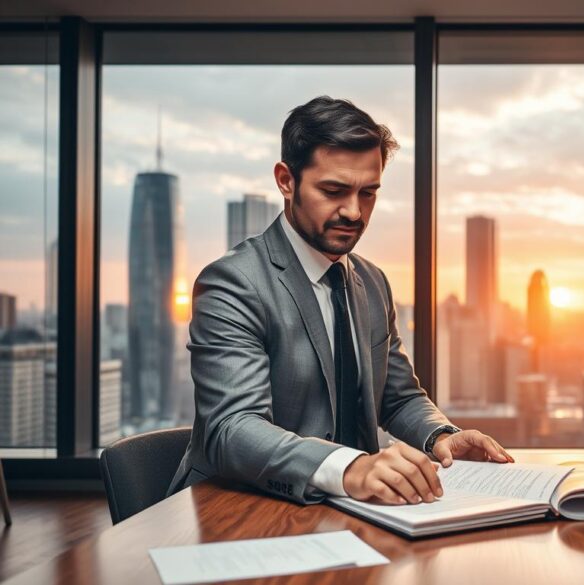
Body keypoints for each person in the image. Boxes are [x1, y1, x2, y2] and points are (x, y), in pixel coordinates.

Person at [168, 96, 513, 505]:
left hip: (356, 508)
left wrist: (441, 436)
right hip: (238, 508)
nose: (354, 211)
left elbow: (397, 396)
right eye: (333, 191)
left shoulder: (372, 281)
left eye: (369, 193)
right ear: (285, 180)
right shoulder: (233, 282)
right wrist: (348, 467)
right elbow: (233, 427)